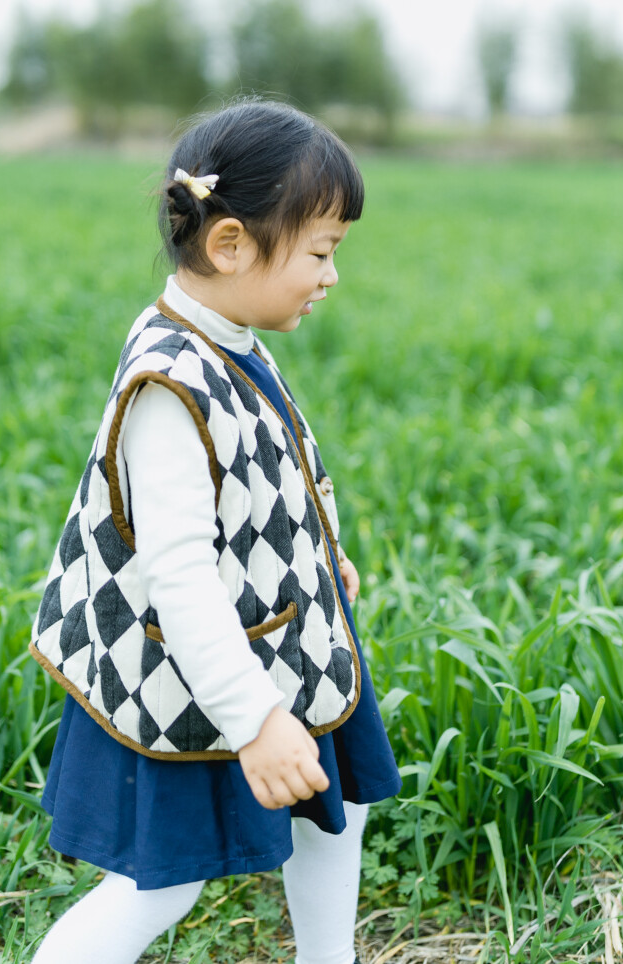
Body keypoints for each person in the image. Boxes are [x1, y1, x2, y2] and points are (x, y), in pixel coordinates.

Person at [29, 98, 402, 964]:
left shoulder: (227, 334)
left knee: (333, 809)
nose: (331, 276)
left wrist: (322, 554)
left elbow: (269, 471)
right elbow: (182, 575)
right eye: (321, 251)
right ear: (230, 244)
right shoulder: (169, 383)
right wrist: (255, 720)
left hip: (282, 640)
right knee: (162, 884)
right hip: (200, 672)